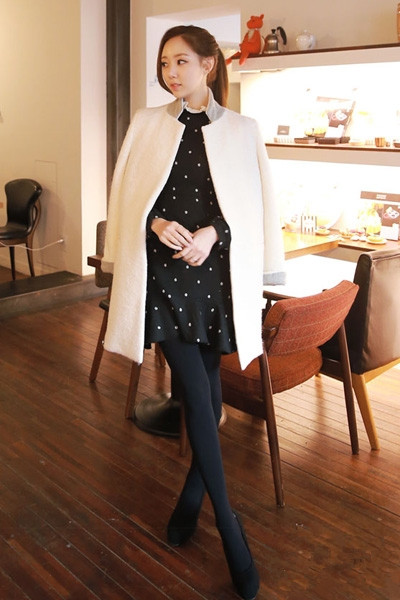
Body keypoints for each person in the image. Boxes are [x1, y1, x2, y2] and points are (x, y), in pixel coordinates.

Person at [102, 24, 285, 600]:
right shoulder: (146, 124)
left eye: (181, 61)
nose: (170, 72)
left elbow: (250, 209)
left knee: (206, 395)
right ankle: (230, 528)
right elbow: (131, 197)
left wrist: (213, 233)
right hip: (162, 277)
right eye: (165, 63)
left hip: (214, 279)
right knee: (198, 392)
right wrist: (156, 223)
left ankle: (190, 500)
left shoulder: (242, 131)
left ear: (209, 64)